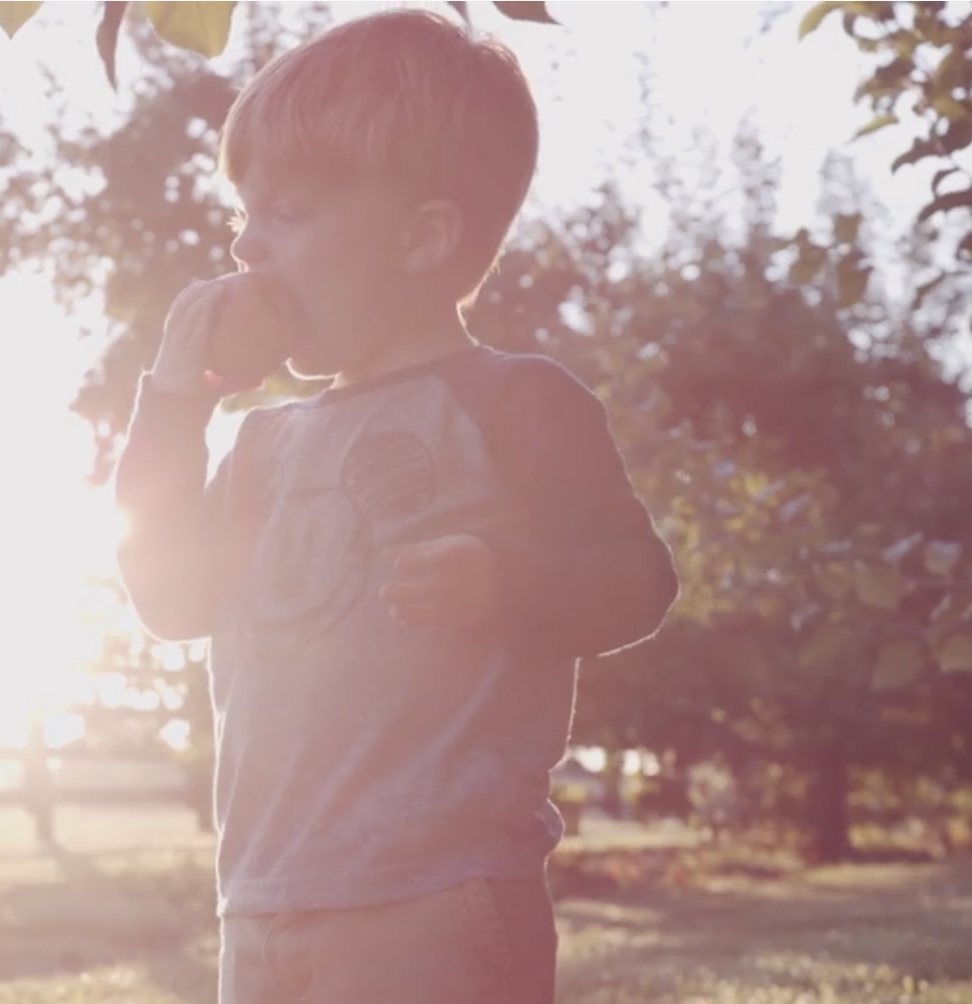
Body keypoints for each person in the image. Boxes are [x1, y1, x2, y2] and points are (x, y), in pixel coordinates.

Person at [114, 10, 680, 1004]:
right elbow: (165, 596)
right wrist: (170, 402)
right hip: (260, 898)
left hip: (440, 900)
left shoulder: (515, 401)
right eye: (242, 213)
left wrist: (505, 580)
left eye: (286, 211)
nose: (246, 245)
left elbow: (635, 581)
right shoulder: (259, 444)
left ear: (421, 236)